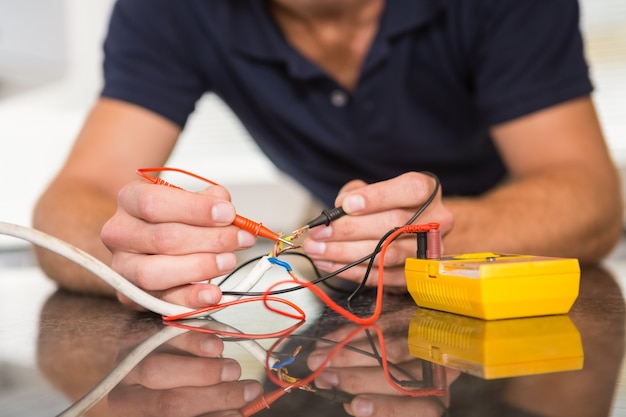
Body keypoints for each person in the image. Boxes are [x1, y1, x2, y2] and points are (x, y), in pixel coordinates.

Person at [32, 0, 623, 310]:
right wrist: (132, 253)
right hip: (337, 281)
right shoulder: (167, 11)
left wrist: (449, 234)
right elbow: (70, 205)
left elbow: (591, 195)